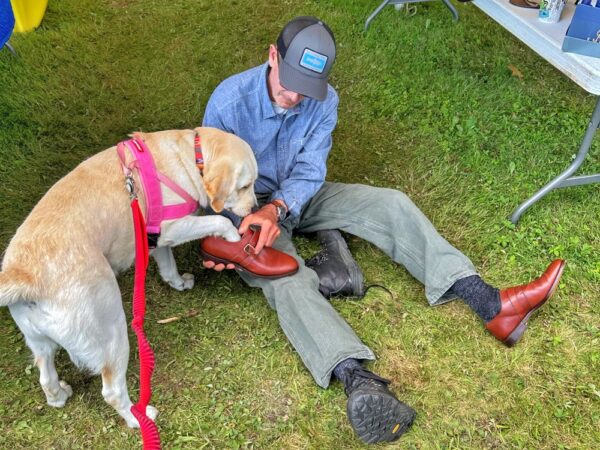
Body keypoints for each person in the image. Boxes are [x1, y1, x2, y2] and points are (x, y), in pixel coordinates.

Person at [199, 16, 565, 444]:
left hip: (294, 198)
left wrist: (280, 207)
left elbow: (311, 169)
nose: (294, 96)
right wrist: (233, 231)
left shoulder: (323, 99)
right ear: (272, 55)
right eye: (288, 82)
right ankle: (357, 378)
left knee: (390, 202)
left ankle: (489, 302)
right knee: (287, 277)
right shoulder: (229, 102)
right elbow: (211, 187)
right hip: (247, 211)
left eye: (305, 87)